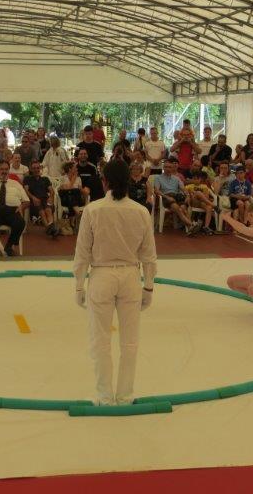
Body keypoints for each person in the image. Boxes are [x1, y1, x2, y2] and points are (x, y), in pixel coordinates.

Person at [73, 158, 157, 406]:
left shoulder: (93, 210)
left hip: (102, 276)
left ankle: (104, 396)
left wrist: (79, 284)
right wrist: (149, 286)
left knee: (100, 340)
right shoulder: (141, 211)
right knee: (130, 341)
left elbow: (82, 253)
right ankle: (125, 395)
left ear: (104, 181)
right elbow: (149, 255)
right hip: (131, 276)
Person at [154, 158, 201, 235]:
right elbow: (156, 191)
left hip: (176, 196)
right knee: (178, 208)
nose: (167, 169)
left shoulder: (176, 178)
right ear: (163, 168)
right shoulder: (158, 178)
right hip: (166, 196)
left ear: (172, 168)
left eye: (169, 167)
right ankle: (191, 224)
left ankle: (190, 228)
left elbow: (183, 188)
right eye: (166, 167)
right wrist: (167, 197)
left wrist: (187, 195)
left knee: (183, 208)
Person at [23, 160, 58, 237]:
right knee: (42, 212)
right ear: (31, 169)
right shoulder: (27, 179)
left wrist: (51, 197)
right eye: (34, 168)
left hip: (45, 199)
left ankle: (50, 229)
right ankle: (50, 229)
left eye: (38, 168)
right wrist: (33, 198)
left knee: (48, 210)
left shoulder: (45, 179)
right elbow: (26, 190)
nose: (36, 170)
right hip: (34, 200)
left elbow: (51, 191)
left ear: (40, 168)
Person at [59, 161, 85, 230]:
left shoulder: (79, 178)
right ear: (70, 169)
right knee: (70, 192)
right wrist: (74, 178)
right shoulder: (63, 178)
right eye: (75, 167)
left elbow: (80, 190)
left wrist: (84, 190)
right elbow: (66, 188)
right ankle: (76, 214)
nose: (77, 169)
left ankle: (73, 218)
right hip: (65, 200)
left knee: (74, 192)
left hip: (77, 199)